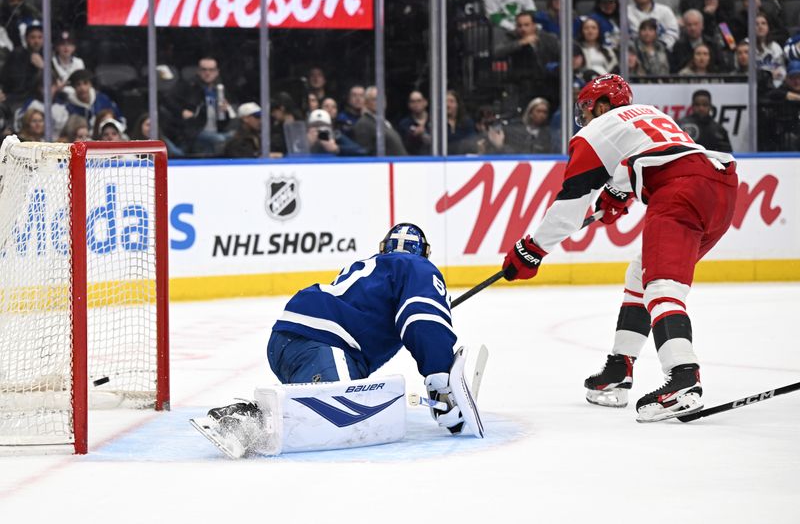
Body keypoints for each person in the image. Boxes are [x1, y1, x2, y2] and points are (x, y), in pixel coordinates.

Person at [500, 74, 737, 422]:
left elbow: (570, 208)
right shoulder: (648, 113)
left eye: (587, 108)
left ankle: (684, 378)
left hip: (682, 191)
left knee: (661, 285)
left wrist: (530, 250)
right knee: (642, 273)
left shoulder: (594, 132)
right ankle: (619, 368)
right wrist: (618, 193)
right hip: (721, 189)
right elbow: (647, 155)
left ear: (603, 105)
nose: (585, 117)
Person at [198, 223, 482, 456]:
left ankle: (245, 418)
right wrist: (439, 382)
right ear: (425, 253)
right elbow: (423, 320)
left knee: (320, 408)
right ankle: (248, 421)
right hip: (324, 343)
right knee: (342, 422)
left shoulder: (375, 269)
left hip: (292, 339)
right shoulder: (419, 268)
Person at [163, 56, 234, 155]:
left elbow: (224, 122)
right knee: (220, 139)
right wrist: (181, 111)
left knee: (234, 136)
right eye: (204, 70)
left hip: (215, 130)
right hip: (195, 132)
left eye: (211, 70)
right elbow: (167, 99)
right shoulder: (188, 86)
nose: (207, 73)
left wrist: (225, 112)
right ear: (198, 71)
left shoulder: (220, 90)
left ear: (217, 72)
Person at [353, 85, 407, 156]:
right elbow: (364, 152)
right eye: (375, 99)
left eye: (382, 98)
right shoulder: (364, 123)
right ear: (366, 102)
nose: (380, 101)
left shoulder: (383, 122)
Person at [397, 90, 432, 156]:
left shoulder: (435, 121)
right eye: (413, 102)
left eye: (419, 101)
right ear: (409, 105)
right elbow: (402, 147)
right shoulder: (404, 124)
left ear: (425, 102)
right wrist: (414, 137)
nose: (416, 104)